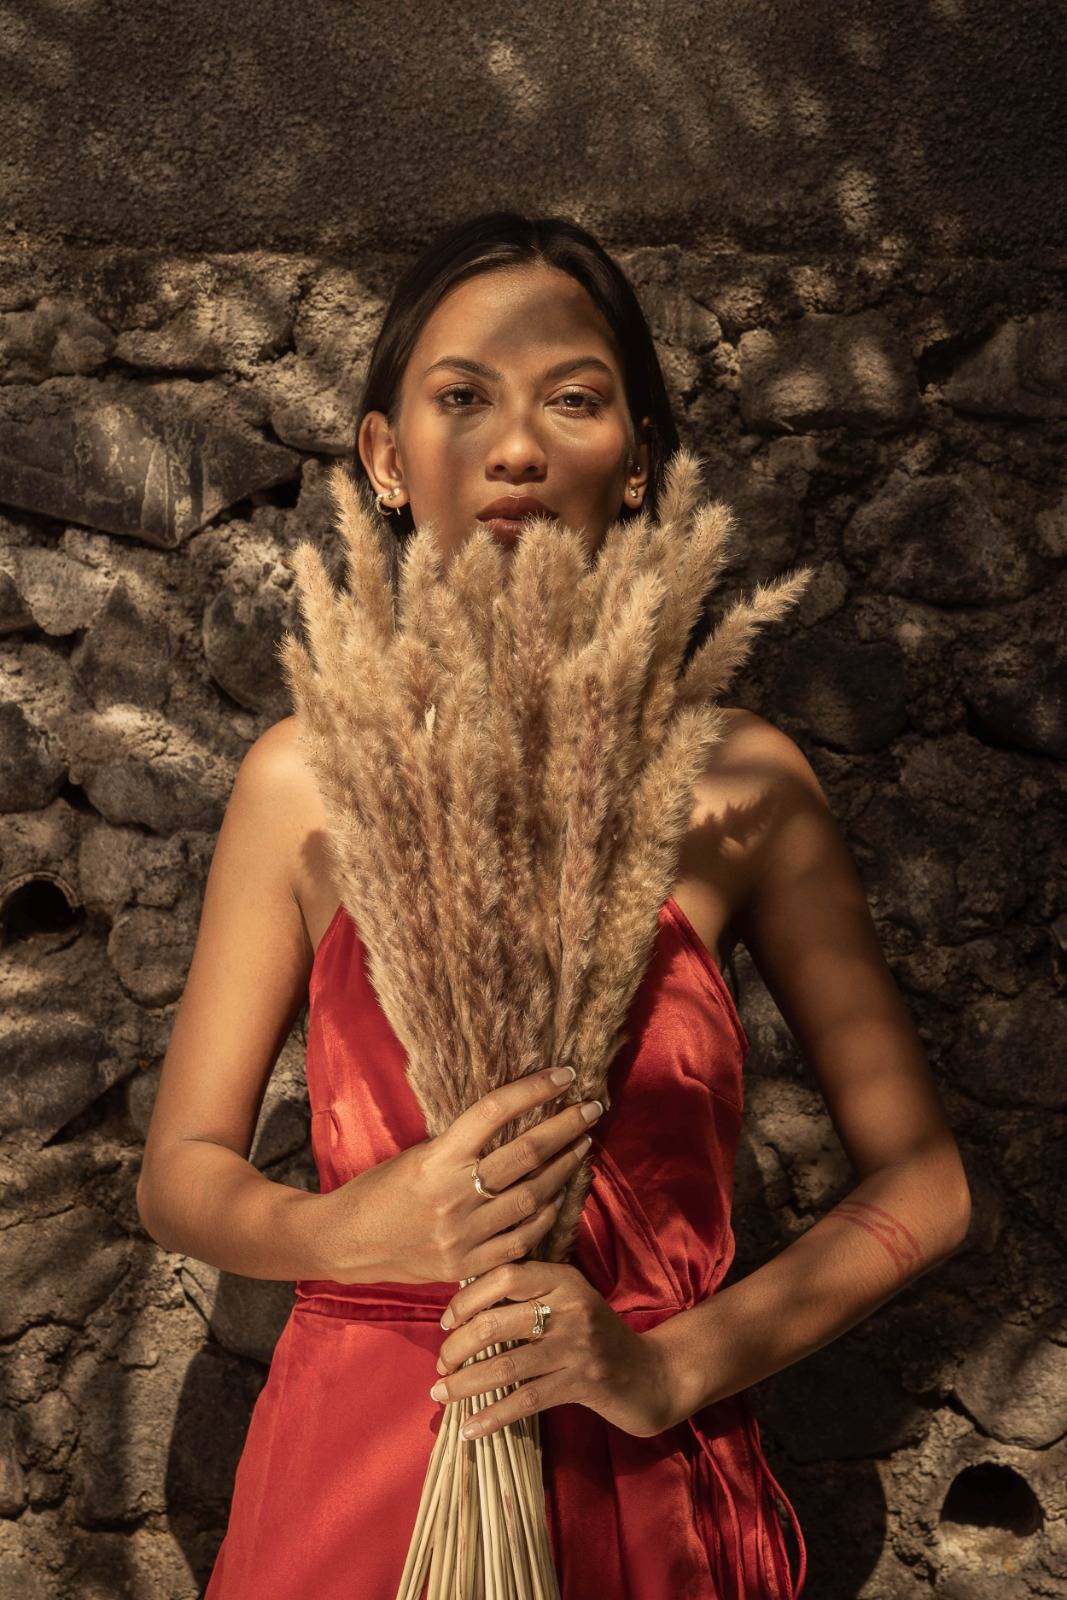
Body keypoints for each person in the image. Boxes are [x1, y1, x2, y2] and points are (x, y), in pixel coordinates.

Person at [136, 211, 972, 1599]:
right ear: (386, 459)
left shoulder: (742, 779)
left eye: (574, 401)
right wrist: (348, 1231)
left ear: (637, 460)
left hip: (646, 1491)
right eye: (461, 398)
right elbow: (181, 1173)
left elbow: (927, 1183)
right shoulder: (303, 777)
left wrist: (670, 1367)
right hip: (357, 1484)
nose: (515, 446)